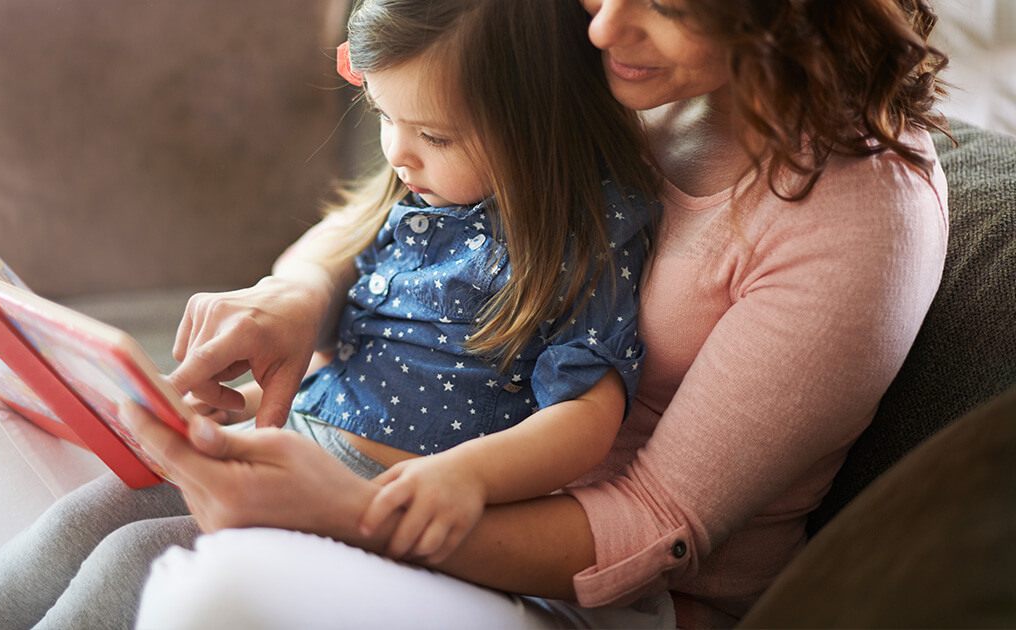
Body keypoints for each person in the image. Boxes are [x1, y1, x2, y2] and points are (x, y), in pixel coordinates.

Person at [124, 0, 953, 628]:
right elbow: (399, 211)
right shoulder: (608, 54)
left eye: (670, 5)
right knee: (54, 464)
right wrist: (296, 295)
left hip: (589, 593)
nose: (602, 30)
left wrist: (351, 514)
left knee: (197, 584)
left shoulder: (861, 211)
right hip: (401, 472)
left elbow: (657, 523)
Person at [0, 0, 662, 627]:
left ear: (544, 123)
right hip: (300, 441)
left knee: (133, 562)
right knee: (73, 527)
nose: (399, 155)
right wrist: (232, 401)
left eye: (434, 135)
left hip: (377, 502)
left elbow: (585, 420)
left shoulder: (587, 237)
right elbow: (354, 360)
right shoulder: (420, 200)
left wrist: (467, 479)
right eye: (382, 115)